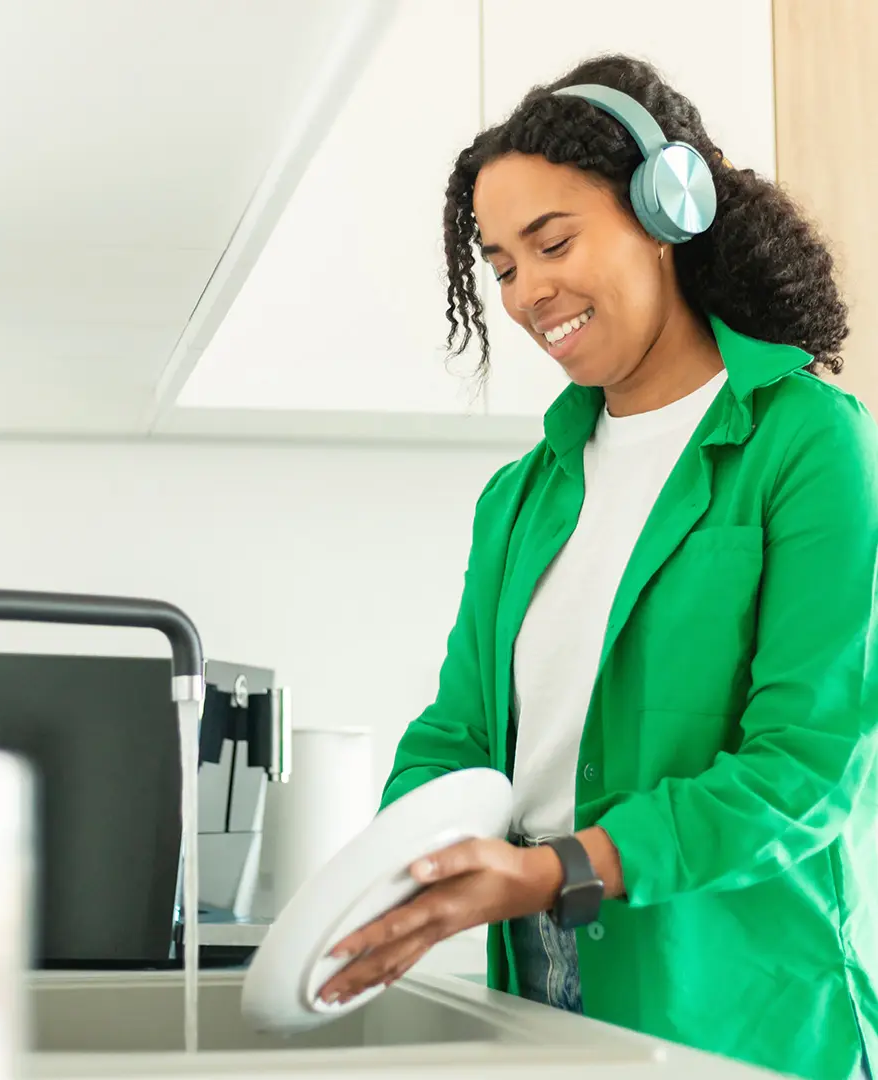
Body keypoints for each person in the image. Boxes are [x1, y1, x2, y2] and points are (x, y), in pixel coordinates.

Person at [316, 53, 878, 1080]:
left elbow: (808, 767)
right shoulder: (523, 497)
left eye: (552, 241)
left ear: (670, 210)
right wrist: (399, 872)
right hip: (539, 992)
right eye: (500, 265)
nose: (528, 291)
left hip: (742, 1012)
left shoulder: (807, 443)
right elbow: (461, 734)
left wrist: (558, 870)